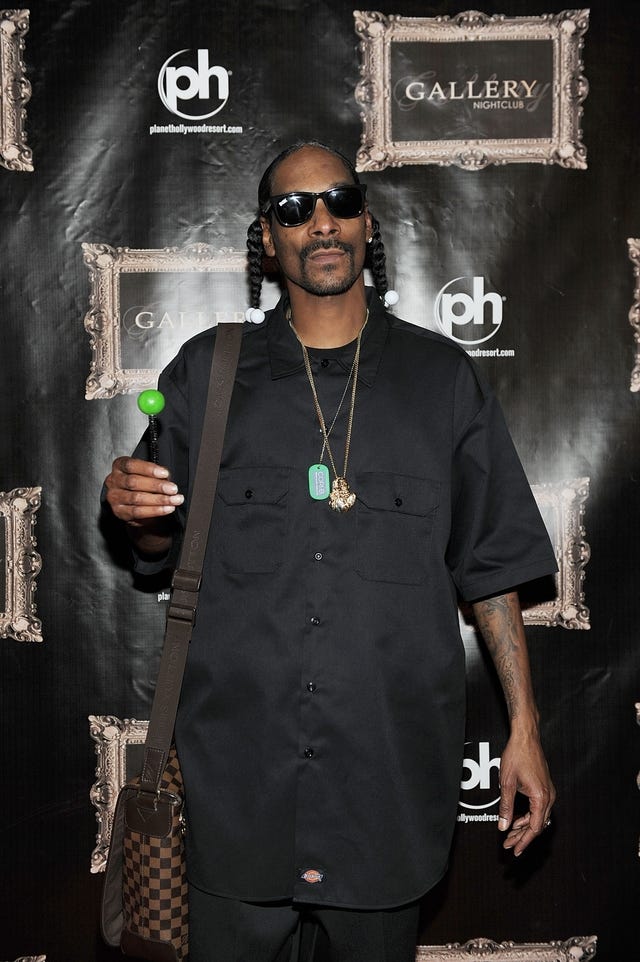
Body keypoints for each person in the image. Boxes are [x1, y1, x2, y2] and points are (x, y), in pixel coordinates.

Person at [104, 141, 557, 962]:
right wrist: (138, 512)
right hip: (235, 796)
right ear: (266, 238)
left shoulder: (441, 379)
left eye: (340, 202)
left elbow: (490, 571)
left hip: (382, 795)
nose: (321, 222)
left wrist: (523, 727)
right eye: (293, 209)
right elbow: (159, 542)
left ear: (366, 223)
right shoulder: (209, 373)